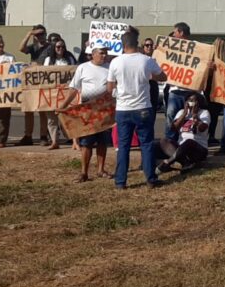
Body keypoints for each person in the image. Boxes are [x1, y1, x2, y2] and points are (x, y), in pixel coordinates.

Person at [107, 30, 168, 189]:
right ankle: (150, 179)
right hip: (143, 107)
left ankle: (120, 181)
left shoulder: (115, 62)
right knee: (146, 144)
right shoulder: (146, 60)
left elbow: (109, 87)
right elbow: (163, 77)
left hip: (123, 109)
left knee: (123, 146)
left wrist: (117, 92)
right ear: (138, 43)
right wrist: (150, 76)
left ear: (122, 45)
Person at [69, 46, 112, 182]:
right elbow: (74, 88)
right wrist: (64, 105)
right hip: (88, 109)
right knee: (87, 142)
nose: (104, 55)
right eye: (101, 53)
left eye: (105, 53)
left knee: (103, 140)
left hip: (104, 108)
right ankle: (84, 172)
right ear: (93, 54)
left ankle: (101, 169)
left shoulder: (110, 67)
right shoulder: (83, 67)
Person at [157, 92, 211, 174]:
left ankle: (167, 162)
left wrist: (195, 116)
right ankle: (185, 163)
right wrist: (184, 113)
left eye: (194, 100)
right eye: (189, 100)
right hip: (181, 147)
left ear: (199, 102)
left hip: (198, 148)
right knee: (163, 141)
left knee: (189, 141)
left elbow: (202, 128)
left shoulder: (204, 112)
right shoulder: (181, 112)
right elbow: (174, 128)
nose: (191, 102)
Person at [164, 22, 198, 145]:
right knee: (171, 116)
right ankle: (170, 141)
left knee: (189, 116)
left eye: (175, 32)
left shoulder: (197, 48)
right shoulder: (171, 47)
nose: (173, 34)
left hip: (190, 91)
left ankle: (187, 140)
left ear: (181, 32)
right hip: (174, 90)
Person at [18, 24, 51, 146]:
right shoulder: (33, 47)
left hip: (44, 81)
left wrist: (37, 65)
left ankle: (43, 135)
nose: (40, 36)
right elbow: (21, 48)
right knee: (29, 109)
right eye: (37, 34)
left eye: (42, 33)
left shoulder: (50, 47)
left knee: (42, 110)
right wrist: (29, 34)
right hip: (32, 81)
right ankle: (28, 135)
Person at [41, 37, 76, 150]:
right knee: (51, 119)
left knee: (69, 117)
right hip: (51, 94)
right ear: (54, 48)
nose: (60, 49)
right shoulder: (48, 60)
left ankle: (74, 140)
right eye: (58, 47)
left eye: (62, 47)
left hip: (66, 93)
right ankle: (54, 141)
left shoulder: (69, 58)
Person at [141, 37, 161, 111]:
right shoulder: (140, 58)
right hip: (143, 86)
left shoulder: (158, 57)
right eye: (147, 45)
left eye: (151, 45)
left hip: (153, 85)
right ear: (143, 47)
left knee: (152, 109)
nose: (149, 47)